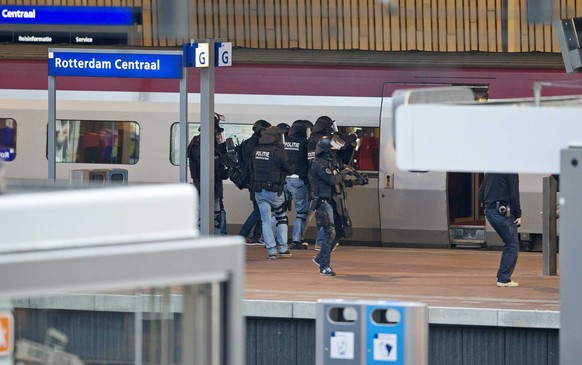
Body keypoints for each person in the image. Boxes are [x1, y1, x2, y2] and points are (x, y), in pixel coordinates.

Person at [309, 136, 358, 276]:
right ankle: (324, 266)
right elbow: (332, 180)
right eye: (331, 149)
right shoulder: (318, 164)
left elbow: (338, 182)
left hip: (334, 200)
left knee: (340, 230)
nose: (334, 151)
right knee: (330, 232)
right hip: (323, 202)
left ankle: (320, 258)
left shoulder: (331, 162)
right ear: (325, 150)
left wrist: (354, 182)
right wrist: (344, 173)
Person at [251, 126, 293, 259]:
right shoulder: (278, 152)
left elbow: (250, 168)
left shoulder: (256, 151)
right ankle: (284, 248)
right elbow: (289, 168)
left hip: (258, 191)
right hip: (275, 191)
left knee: (265, 220)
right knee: (281, 217)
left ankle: (271, 251)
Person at [187, 114, 229, 235]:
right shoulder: (199, 145)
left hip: (211, 182)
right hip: (204, 183)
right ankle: (207, 238)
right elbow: (208, 164)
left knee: (215, 213)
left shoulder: (198, 143)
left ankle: (214, 237)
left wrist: (221, 146)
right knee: (208, 213)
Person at [478, 173, 522, 287]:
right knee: (512, 245)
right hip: (502, 212)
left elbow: (480, 192)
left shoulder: (490, 171)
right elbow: (514, 194)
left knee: (509, 243)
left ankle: (503, 277)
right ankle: (504, 278)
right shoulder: (511, 171)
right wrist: (518, 213)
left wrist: (486, 207)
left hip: (490, 211)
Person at [239, 119, 272, 244]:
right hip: (254, 181)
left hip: (257, 181)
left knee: (261, 210)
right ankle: (243, 234)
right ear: (261, 130)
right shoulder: (252, 144)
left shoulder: (255, 143)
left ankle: (257, 236)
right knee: (259, 210)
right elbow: (251, 165)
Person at [284, 120, 311, 249]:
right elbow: (309, 160)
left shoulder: (284, 141)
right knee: (301, 212)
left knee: (279, 211)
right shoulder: (305, 143)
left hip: (284, 179)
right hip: (299, 180)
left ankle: (272, 238)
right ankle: (296, 240)